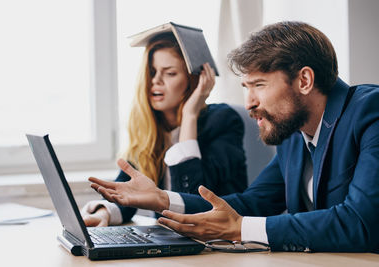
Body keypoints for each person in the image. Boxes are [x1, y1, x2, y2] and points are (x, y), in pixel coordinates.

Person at [88, 21, 379, 253]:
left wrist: (240, 229)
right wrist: (164, 198)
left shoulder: (370, 112)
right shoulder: (294, 135)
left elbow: (360, 222)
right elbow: (249, 203)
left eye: (259, 85)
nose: (250, 102)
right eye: (246, 87)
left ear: (304, 80)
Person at [82, 32, 248, 226]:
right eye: (152, 72)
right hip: (170, 242)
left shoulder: (222, 121)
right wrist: (103, 214)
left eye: (169, 73)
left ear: (194, 80)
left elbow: (194, 203)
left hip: (216, 241)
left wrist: (189, 116)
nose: (156, 81)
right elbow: (127, 194)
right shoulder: (151, 129)